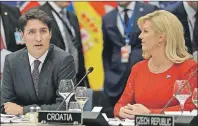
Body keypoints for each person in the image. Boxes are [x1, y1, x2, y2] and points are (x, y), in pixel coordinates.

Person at [114, 10, 197, 119]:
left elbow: (192, 107)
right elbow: (120, 105)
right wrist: (122, 111)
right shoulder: (138, 68)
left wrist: (150, 114)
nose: (140, 36)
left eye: (145, 31)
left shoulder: (189, 68)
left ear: (161, 37)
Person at [1, 8, 76, 115]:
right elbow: (5, 105)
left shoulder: (64, 60)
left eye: (43, 31)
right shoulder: (12, 60)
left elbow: (66, 106)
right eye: (31, 32)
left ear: (50, 34)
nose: (38, 38)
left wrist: (23, 110)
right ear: (23, 36)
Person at [102, 1, 158, 107]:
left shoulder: (149, 10)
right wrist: (109, 76)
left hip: (144, 75)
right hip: (116, 81)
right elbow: (107, 52)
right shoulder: (107, 18)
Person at [39, 2, 88, 87]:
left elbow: (78, 49)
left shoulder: (72, 16)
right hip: (51, 81)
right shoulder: (38, 15)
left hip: (76, 79)